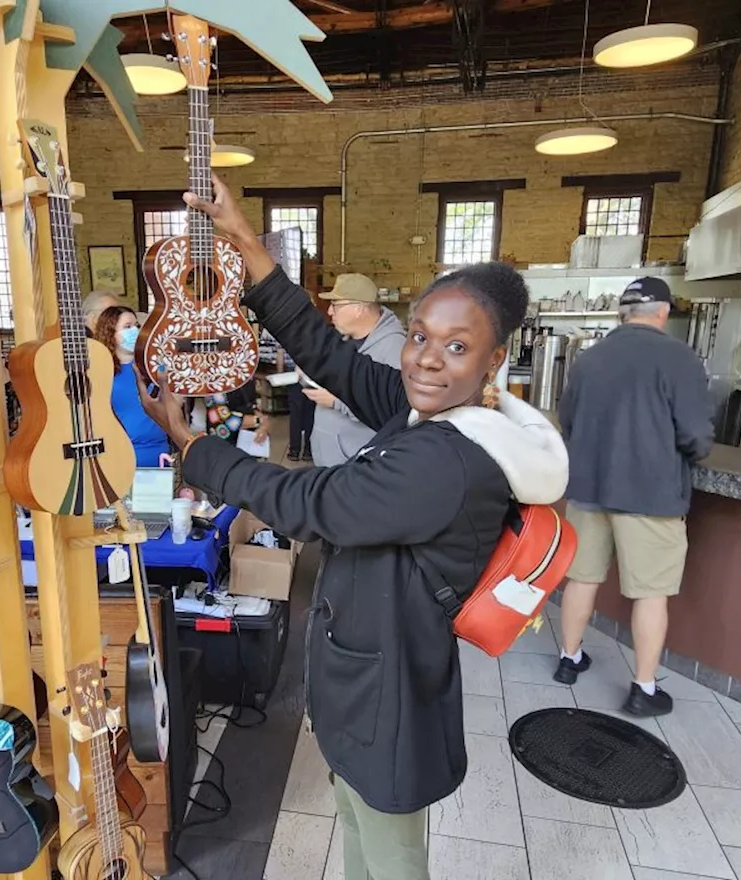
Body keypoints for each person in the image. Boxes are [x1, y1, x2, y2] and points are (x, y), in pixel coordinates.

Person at [134, 176, 567, 880]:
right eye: (421, 335)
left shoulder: (449, 460)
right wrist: (244, 239)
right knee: (361, 848)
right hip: (364, 679)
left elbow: (315, 501)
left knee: (390, 863)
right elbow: (328, 352)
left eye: (456, 348)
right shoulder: (426, 410)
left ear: (493, 364)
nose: (426, 356)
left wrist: (196, 448)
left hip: (390, 700)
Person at [554, 276, 714, 717]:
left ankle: (569, 661)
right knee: (650, 592)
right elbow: (696, 436)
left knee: (581, 578)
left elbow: (568, 419)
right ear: (663, 312)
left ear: (623, 313)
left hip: (588, 488)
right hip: (650, 492)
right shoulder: (680, 358)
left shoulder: (590, 358)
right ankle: (643, 688)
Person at [305, 273, 406, 466]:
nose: (329, 312)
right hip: (331, 460)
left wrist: (336, 401)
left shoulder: (394, 347)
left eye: (335, 305)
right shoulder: (345, 339)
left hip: (355, 466)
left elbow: (392, 412)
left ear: (358, 308)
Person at [93, 305, 170, 468]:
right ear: (110, 333)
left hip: (160, 450)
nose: (134, 331)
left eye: (137, 326)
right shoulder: (101, 372)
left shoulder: (153, 367)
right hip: (122, 454)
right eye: (127, 327)